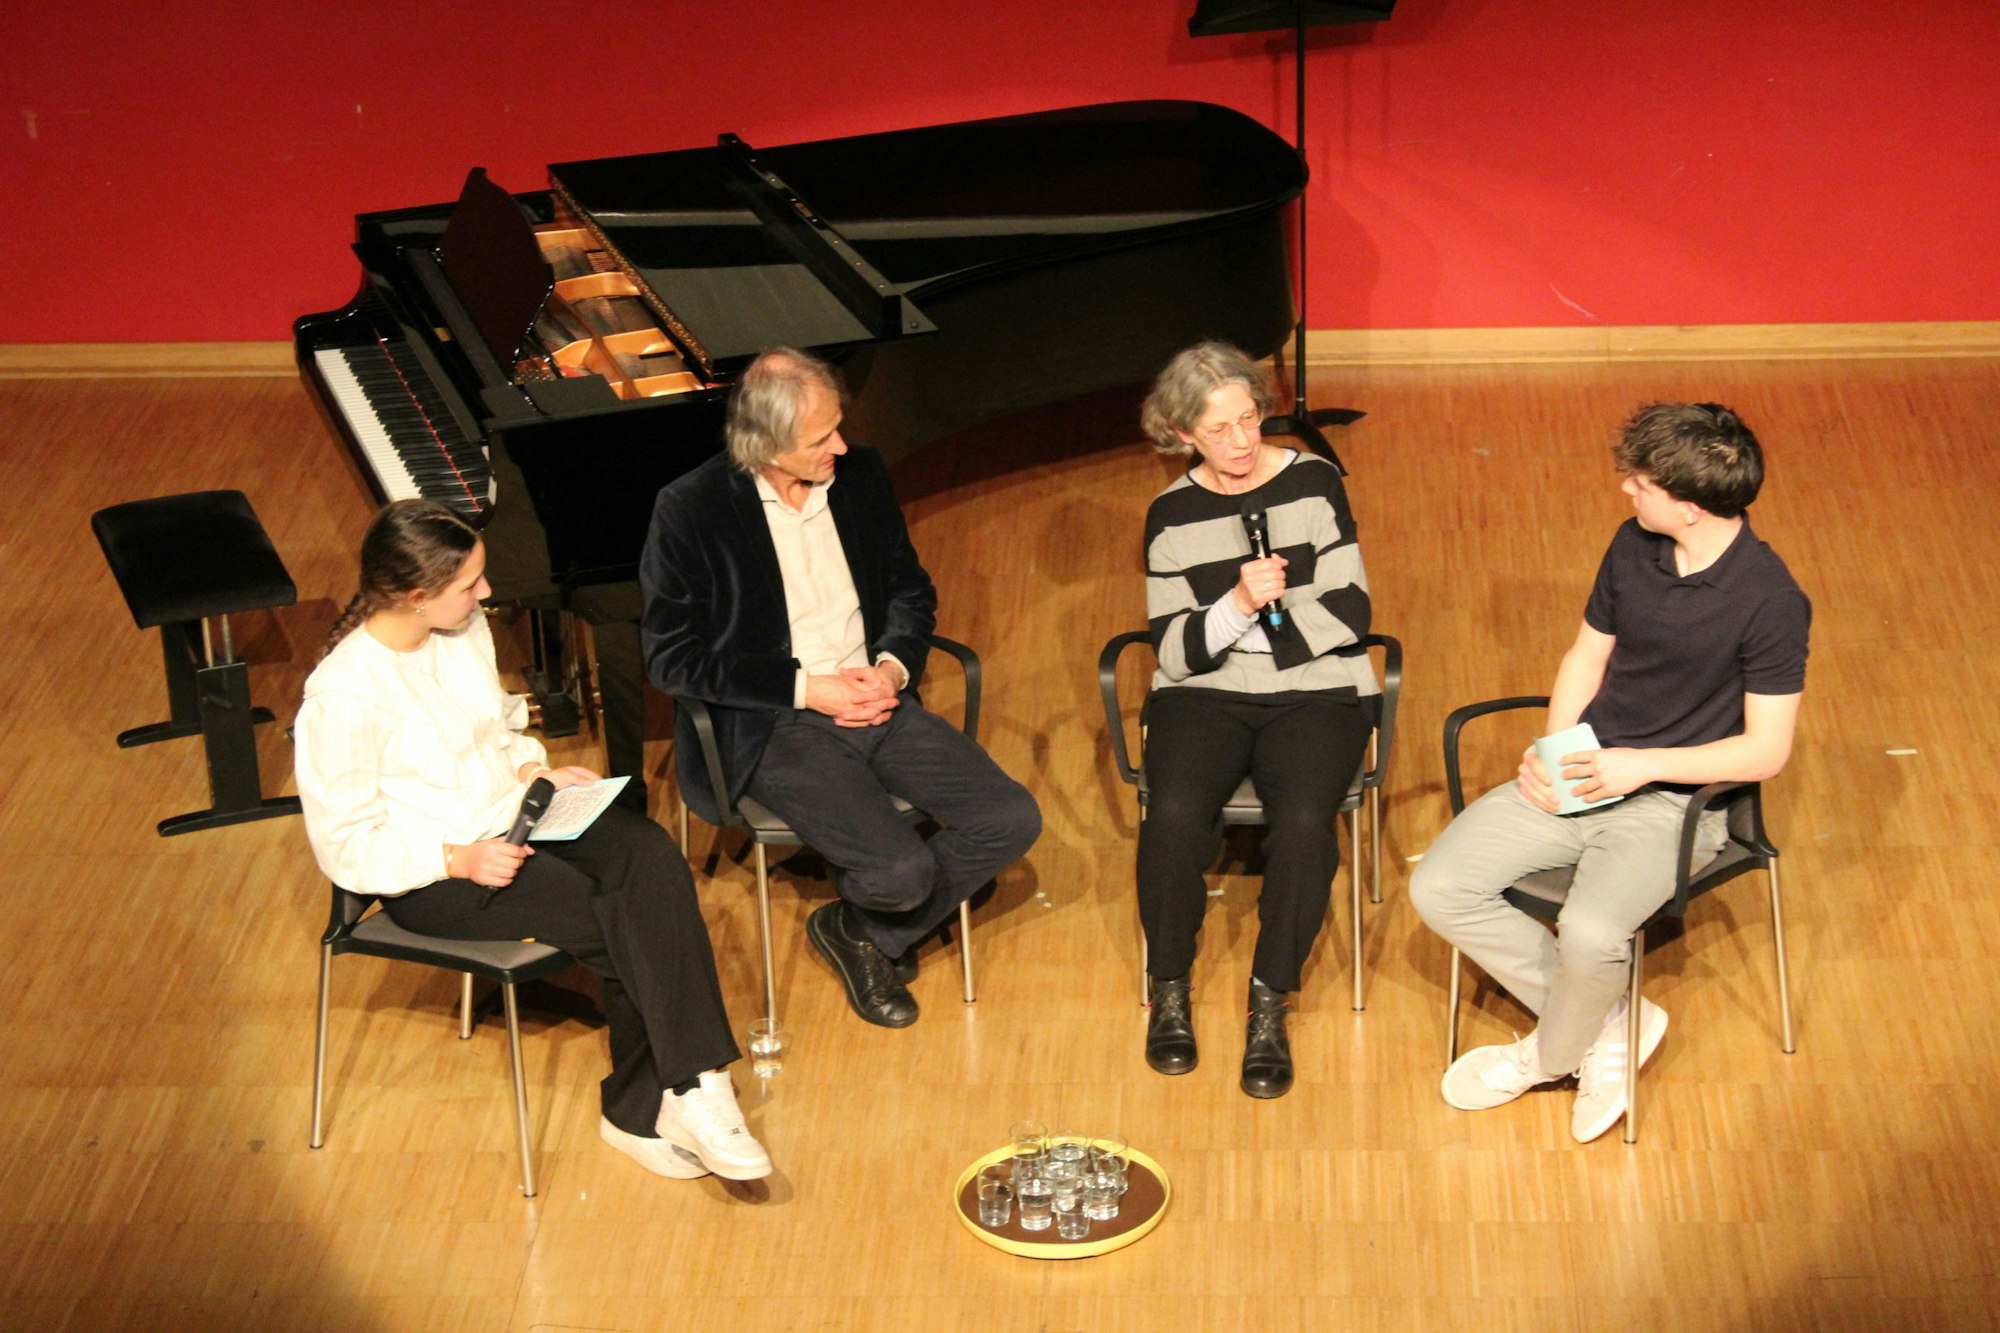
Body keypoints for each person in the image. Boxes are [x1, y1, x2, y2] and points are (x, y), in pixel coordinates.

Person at [295, 499, 772, 1182]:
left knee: (647, 854)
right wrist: (454, 857)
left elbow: (496, 726)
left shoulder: (461, 631)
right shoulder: (341, 697)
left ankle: (686, 1090)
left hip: (516, 812)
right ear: (415, 595)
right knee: (622, 920)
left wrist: (530, 767)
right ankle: (659, 1103)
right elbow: (345, 846)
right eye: (470, 585)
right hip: (437, 876)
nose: (487, 593)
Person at [1410, 402, 1809, 1143]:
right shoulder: (1634, 546)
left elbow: (1766, 750)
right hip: (1590, 768)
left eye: (1643, 483)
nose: (1628, 490)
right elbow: (1585, 655)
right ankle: (1613, 1020)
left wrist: (1640, 766)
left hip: (1677, 804)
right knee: (1437, 886)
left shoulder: (1772, 602)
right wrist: (1555, 750)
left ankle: (1546, 1053)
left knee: (1591, 929)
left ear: (1688, 508)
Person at [639, 347, 1041, 1029]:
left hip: (877, 695)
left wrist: (889, 668)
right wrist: (806, 689)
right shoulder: (691, 509)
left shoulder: (860, 476)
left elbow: (910, 590)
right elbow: (672, 659)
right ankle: (896, 909)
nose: (841, 445)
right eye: (820, 437)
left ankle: (860, 930)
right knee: (904, 872)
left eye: (838, 426)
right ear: (763, 444)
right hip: (777, 722)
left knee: (1011, 817)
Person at [1135, 342, 1379, 1099]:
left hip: (1314, 691)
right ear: (1182, 437)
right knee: (1172, 816)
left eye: (1249, 419)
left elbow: (1351, 606)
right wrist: (1238, 605)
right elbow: (1173, 648)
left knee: (1306, 823)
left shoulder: (1313, 483)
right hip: (1204, 695)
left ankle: (1270, 999)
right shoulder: (1170, 514)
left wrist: (1270, 631)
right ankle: (1169, 985)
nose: (1242, 442)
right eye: (1219, 430)